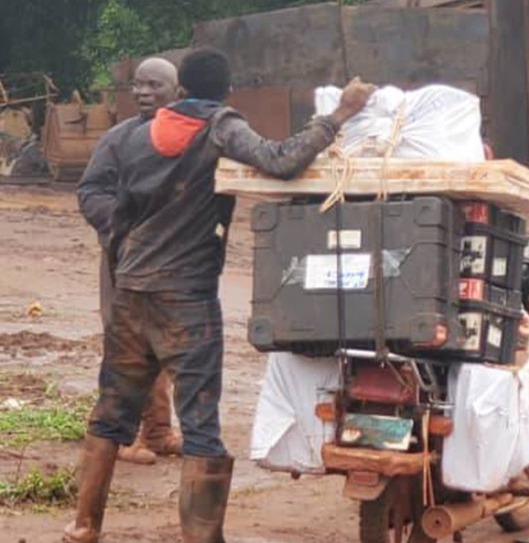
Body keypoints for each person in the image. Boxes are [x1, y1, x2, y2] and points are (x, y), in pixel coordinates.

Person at [63, 47, 375, 543]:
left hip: (131, 293)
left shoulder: (135, 135)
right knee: (201, 422)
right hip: (186, 301)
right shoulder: (220, 126)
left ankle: (82, 527)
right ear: (226, 91)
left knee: (111, 411)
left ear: (180, 89)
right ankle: (201, 538)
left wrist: (119, 242)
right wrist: (340, 113)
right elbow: (283, 160)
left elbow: (105, 199)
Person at [76, 57, 183, 466]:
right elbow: (90, 192)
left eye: (154, 85)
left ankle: (156, 432)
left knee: (163, 342)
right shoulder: (118, 139)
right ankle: (117, 437)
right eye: (137, 85)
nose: (142, 92)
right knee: (124, 343)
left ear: (178, 91)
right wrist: (123, 230)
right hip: (125, 259)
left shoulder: (191, 139)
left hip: (173, 260)